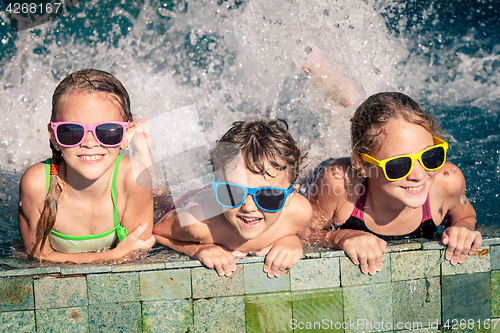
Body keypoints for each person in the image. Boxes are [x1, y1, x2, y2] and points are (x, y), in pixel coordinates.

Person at [306, 92, 482, 275]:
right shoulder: (339, 186)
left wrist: (463, 227)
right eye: (399, 164)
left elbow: (465, 216)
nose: (419, 174)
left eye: (429, 157)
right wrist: (339, 237)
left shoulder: (447, 181)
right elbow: (304, 233)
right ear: (363, 165)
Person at [18, 69, 156, 264]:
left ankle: (144, 149)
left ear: (125, 135)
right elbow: (38, 254)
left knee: (157, 189)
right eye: (72, 132)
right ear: (54, 137)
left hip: (127, 177)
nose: (90, 143)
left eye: (108, 131)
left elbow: (137, 251)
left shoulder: (134, 179)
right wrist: (111, 255)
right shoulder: (37, 184)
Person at [153, 119, 312, 277]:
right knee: (159, 198)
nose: (249, 207)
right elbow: (157, 230)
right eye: (232, 192)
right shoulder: (200, 223)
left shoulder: (298, 213)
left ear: (290, 196)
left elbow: (306, 234)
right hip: (190, 201)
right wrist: (196, 249)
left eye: (267, 195)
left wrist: (293, 242)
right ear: (218, 189)